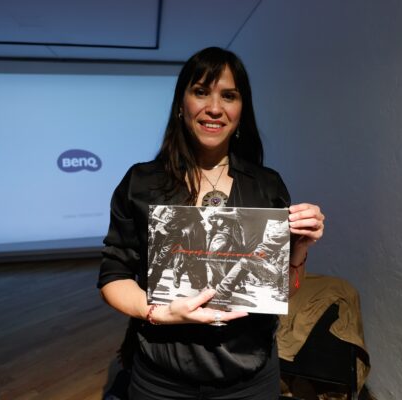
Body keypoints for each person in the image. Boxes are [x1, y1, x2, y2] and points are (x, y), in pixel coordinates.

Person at [98, 47, 325, 400]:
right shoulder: (141, 183)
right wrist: (159, 312)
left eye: (229, 96)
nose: (215, 108)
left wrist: (299, 249)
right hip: (162, 381)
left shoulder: (266, 186)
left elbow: (281, 289)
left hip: (250, 379)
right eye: (201, 92)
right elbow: (114, 276)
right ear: (181, 104)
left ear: (241, 109)